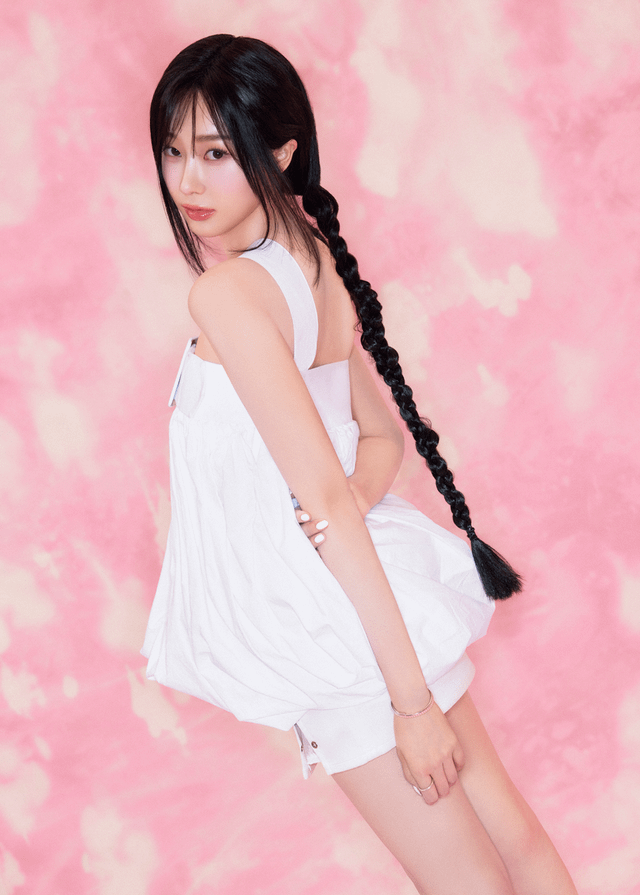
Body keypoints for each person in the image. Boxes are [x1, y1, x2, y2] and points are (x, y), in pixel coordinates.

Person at [141, 34, 578, 894]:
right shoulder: (309, 266)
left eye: (216, 153)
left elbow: (335, 499)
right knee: (518, 845)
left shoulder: (227, 293)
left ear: (282, 151)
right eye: (174, 150)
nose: (188, 180)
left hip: (337, 639)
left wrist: (409, 704)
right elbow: (377, 445)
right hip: (372, 604)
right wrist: (334, 509)